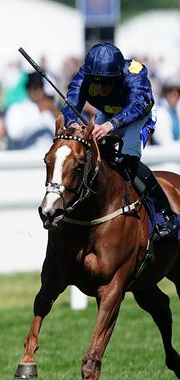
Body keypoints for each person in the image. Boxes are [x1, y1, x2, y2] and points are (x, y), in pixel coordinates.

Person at [62, 42, 177, 239]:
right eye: (96, 82)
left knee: (127, 158)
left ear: (119, 76)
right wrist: (72, 122)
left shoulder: (135, 72)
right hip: (107, 114)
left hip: (139, 116)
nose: (100, 87)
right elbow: (71, 104)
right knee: (91, 156)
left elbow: (138, 105)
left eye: (107, 82)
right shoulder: (84, 75)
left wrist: (109, 126)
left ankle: (167, 215)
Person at [4, 72, 58, 150]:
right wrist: (38, 114)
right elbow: (14, 134)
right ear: (28, 89)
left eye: (41, 88)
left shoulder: (49, 110)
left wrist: (55, 113)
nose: (38, 92)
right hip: (27, 158)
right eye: (35, 88)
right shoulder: (17, 109)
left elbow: (60, 135)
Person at [152, 77, 180, 147]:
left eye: (178, 91)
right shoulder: (159, 114)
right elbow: (166, 143)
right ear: (164, 93)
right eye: (170, 90)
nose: (174, 94)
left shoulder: (176, 112)